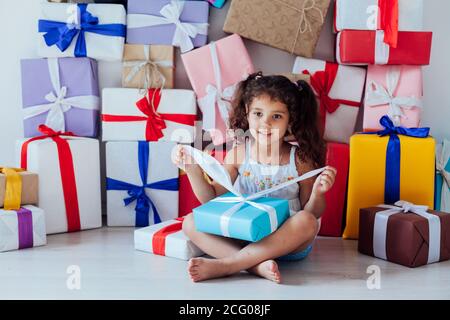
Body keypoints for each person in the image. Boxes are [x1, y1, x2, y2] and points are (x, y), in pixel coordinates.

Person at [173, 72, 337, 283]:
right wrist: (192, 168)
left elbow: (311, 212)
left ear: (290, 121)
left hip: (285, 244)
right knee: (191, 222)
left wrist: (318, 193)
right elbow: (210, 199)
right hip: (243, 236)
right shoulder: (240, 154)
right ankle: (256, 267)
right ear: (247, 113)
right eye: (258, 114)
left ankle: (227, 264)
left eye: (276, 116)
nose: (265, 124)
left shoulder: (300, 160)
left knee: (306, 221)